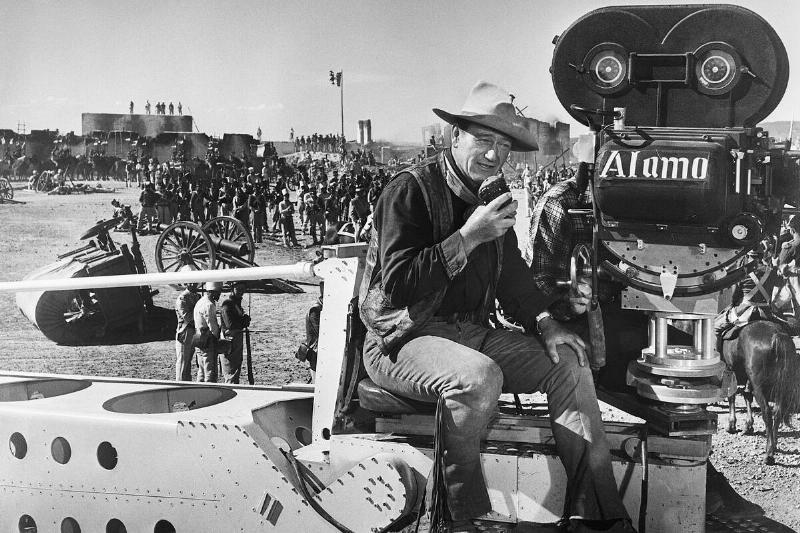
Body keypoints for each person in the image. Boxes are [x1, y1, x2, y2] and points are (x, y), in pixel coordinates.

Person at [359, 81, 631, 533]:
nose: (492, 155)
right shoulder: (409, 190)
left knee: (570, 361)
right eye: (484, 140)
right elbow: (400, 284)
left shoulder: (491, 195)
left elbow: (513, 278)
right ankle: (458, 517)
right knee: (477, 377)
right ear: (455, 137)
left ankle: (595, 514)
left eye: (503, 146)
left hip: (471, 335)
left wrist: (545, 322)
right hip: (400, 341)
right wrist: (468, 237)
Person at [193, 281, 229, 383]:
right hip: (207, 340)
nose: (219, 295)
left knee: (201, 369)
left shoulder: (200, 301)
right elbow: (213, 327)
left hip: (197, 338)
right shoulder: (209, 305)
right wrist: (219, 339)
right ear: (213, 292)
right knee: (210, 370)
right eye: (218, 293)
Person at [220, 281, 250, 384]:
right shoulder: (227, 305)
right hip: (230, 342)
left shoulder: (236, 304)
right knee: (230, 373)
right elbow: (231, 325)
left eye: (243, 289)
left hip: (236, 341)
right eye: (238, 289)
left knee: (236, 370)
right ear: (232, 288)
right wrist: (243, 321)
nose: (241, 291)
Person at [174, 267, 201, 381]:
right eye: (190, 281)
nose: (193, 283)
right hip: (185, 332)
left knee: (189, 361)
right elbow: (188, 317)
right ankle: (180, 384)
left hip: (194, 332)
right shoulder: (183, 298)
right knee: (183, 362)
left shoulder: (197, 296)